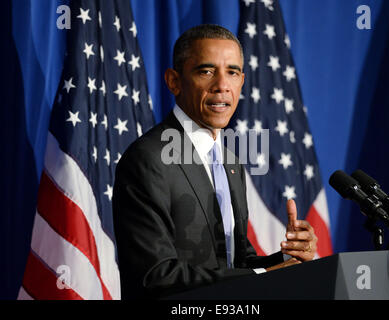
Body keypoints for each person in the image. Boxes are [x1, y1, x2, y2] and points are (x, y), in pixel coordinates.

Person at [112, 24, 318, 299]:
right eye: (206, 71)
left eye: (232, 72)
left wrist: (286, 259)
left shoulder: (230, 161)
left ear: (242, 82)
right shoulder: (148, 160)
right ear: (174, 81)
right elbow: (155, 276)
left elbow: (236, 263)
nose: (222, 85)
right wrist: (260, 277)